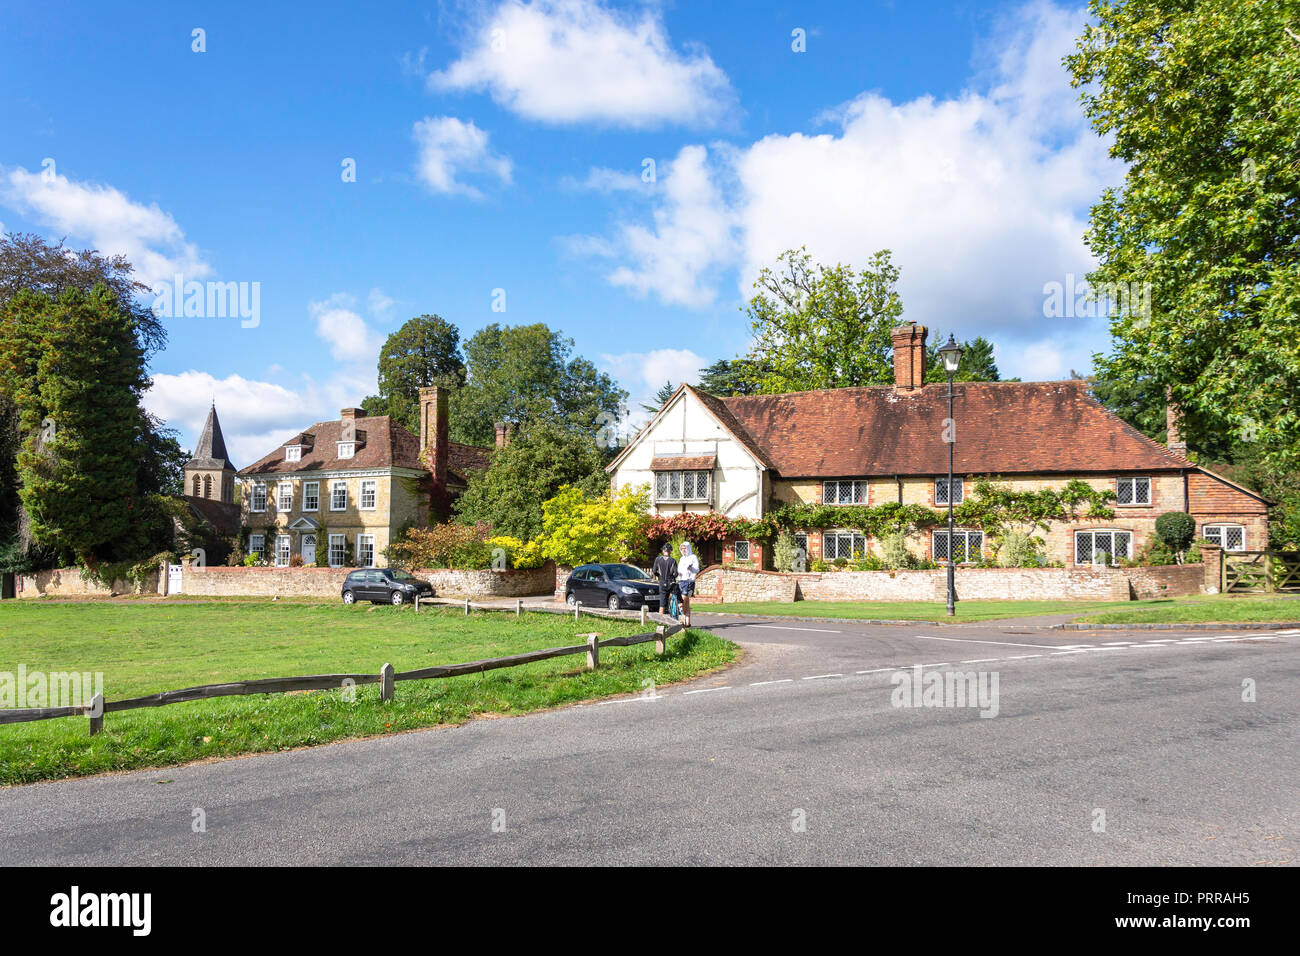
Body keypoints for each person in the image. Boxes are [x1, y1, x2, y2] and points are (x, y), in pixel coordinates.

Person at [676, 541, 700, 625]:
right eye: (682, 549)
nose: (683, 550)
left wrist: (690, 568)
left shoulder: (693, 557)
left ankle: (683, 619)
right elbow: (680, 569)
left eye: (685, 548)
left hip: (689, 581)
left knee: (684, 599)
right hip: (681, 581)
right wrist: (678, 573)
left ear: (688, 548)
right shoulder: (681, 559)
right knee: (686, 602)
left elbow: (697, 570)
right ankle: (687, 622)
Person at [651, 543, 678, 616]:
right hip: (671, 582)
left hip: (662, 582)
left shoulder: (658, 559)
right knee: (675, 598)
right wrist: (672, 577)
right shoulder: (673, 561)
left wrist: (659, 576)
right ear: (670, 551)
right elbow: (676, 574)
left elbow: (654, 571)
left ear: (663, 551)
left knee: (662, 604)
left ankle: (660, 621)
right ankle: (673, 613)